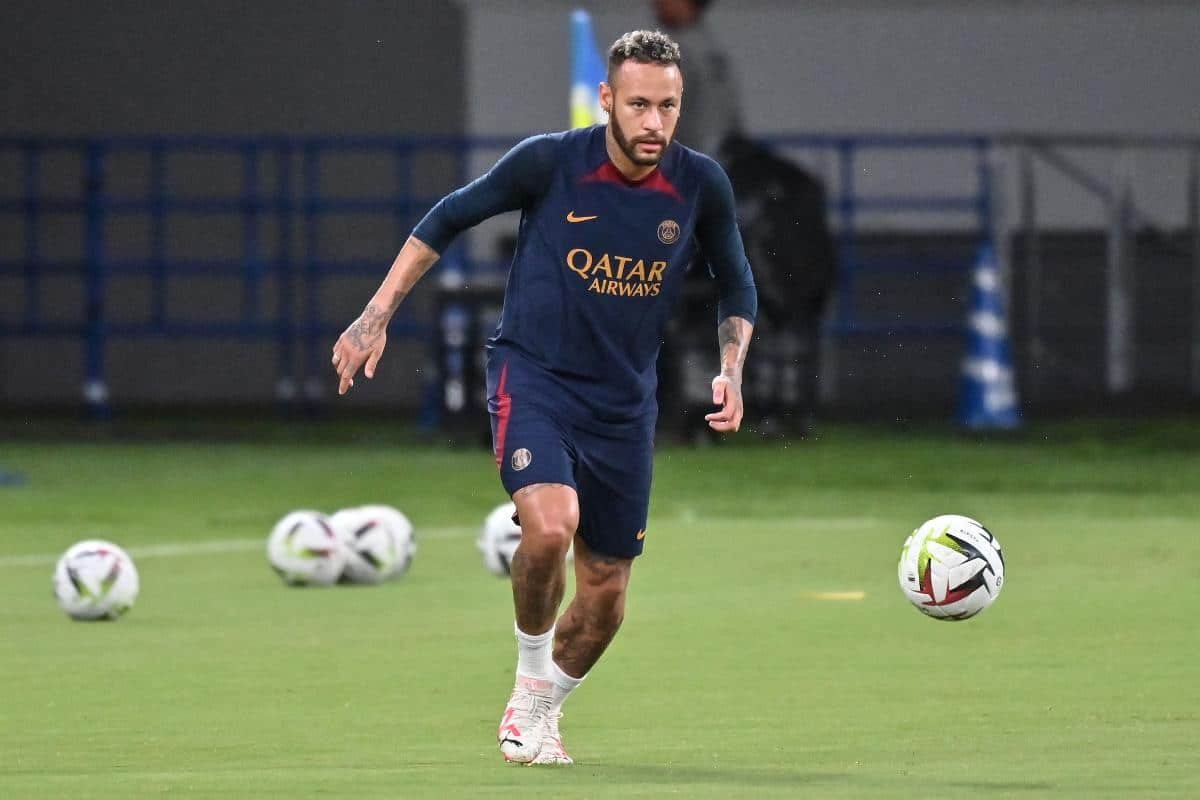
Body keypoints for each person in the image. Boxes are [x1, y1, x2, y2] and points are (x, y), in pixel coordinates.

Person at [330, 30, 757, 766]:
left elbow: (736, 281)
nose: (654, 123)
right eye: (638, 106)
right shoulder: (550, 161)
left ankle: (542, 706)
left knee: (607, 593)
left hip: (625, 405)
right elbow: (446, 219)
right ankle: (530, 681)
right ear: (607, 101)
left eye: (668, 107)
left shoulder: (698, 182)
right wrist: (376, 315)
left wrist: (732, 365)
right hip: (536, 378)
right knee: (552, 527)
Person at [653, 0, 837, 439]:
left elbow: (684, 133)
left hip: (697, 187)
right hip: (726, 181)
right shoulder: (709, 49)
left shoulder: (674, 54)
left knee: (681, 302)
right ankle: (759, 406)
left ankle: (697, 408)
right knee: (726, 304)